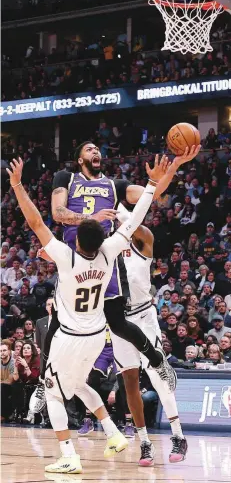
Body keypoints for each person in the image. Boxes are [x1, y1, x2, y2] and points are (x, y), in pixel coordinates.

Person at [6, 156, 172, 474]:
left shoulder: (67, 257)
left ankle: (68, 455)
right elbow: (135, 220)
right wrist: (152, 184)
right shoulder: (110, 250)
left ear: (78, 239)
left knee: (53, 393)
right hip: (97, 335)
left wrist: (16, 184)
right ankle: (112, 434)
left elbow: (36, 223)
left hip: (70, 337)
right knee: (79, 383)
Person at [50, 140, 199, 374]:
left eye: (97, 149)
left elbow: (155, 195)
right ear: (80, 159)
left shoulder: (114, 185)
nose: (96, 151)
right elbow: (58, 213)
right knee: (58, 320)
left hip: (104, 256)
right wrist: (93, 218)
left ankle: (157, 361)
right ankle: (45, 381)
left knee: (118, 323)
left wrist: (175, 165)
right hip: (73, 255)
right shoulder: (66, 178)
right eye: (89, 149)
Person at [110, 203, 187, 464]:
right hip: (119, 322)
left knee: (156, 373)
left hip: (144, 316)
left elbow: (135, 224)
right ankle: (144, 442)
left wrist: (119, 206)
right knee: (129, 382)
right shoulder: (107, 251)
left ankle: (178, 435)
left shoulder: (142, 241)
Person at [1, 340, 14, 421]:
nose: (2, 352)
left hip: (11, 388)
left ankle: (3, 415)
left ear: (9, 351)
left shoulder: (13, 363)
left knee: (2, 387)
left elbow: (10, 381)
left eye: (4, 350)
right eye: (0, 351)